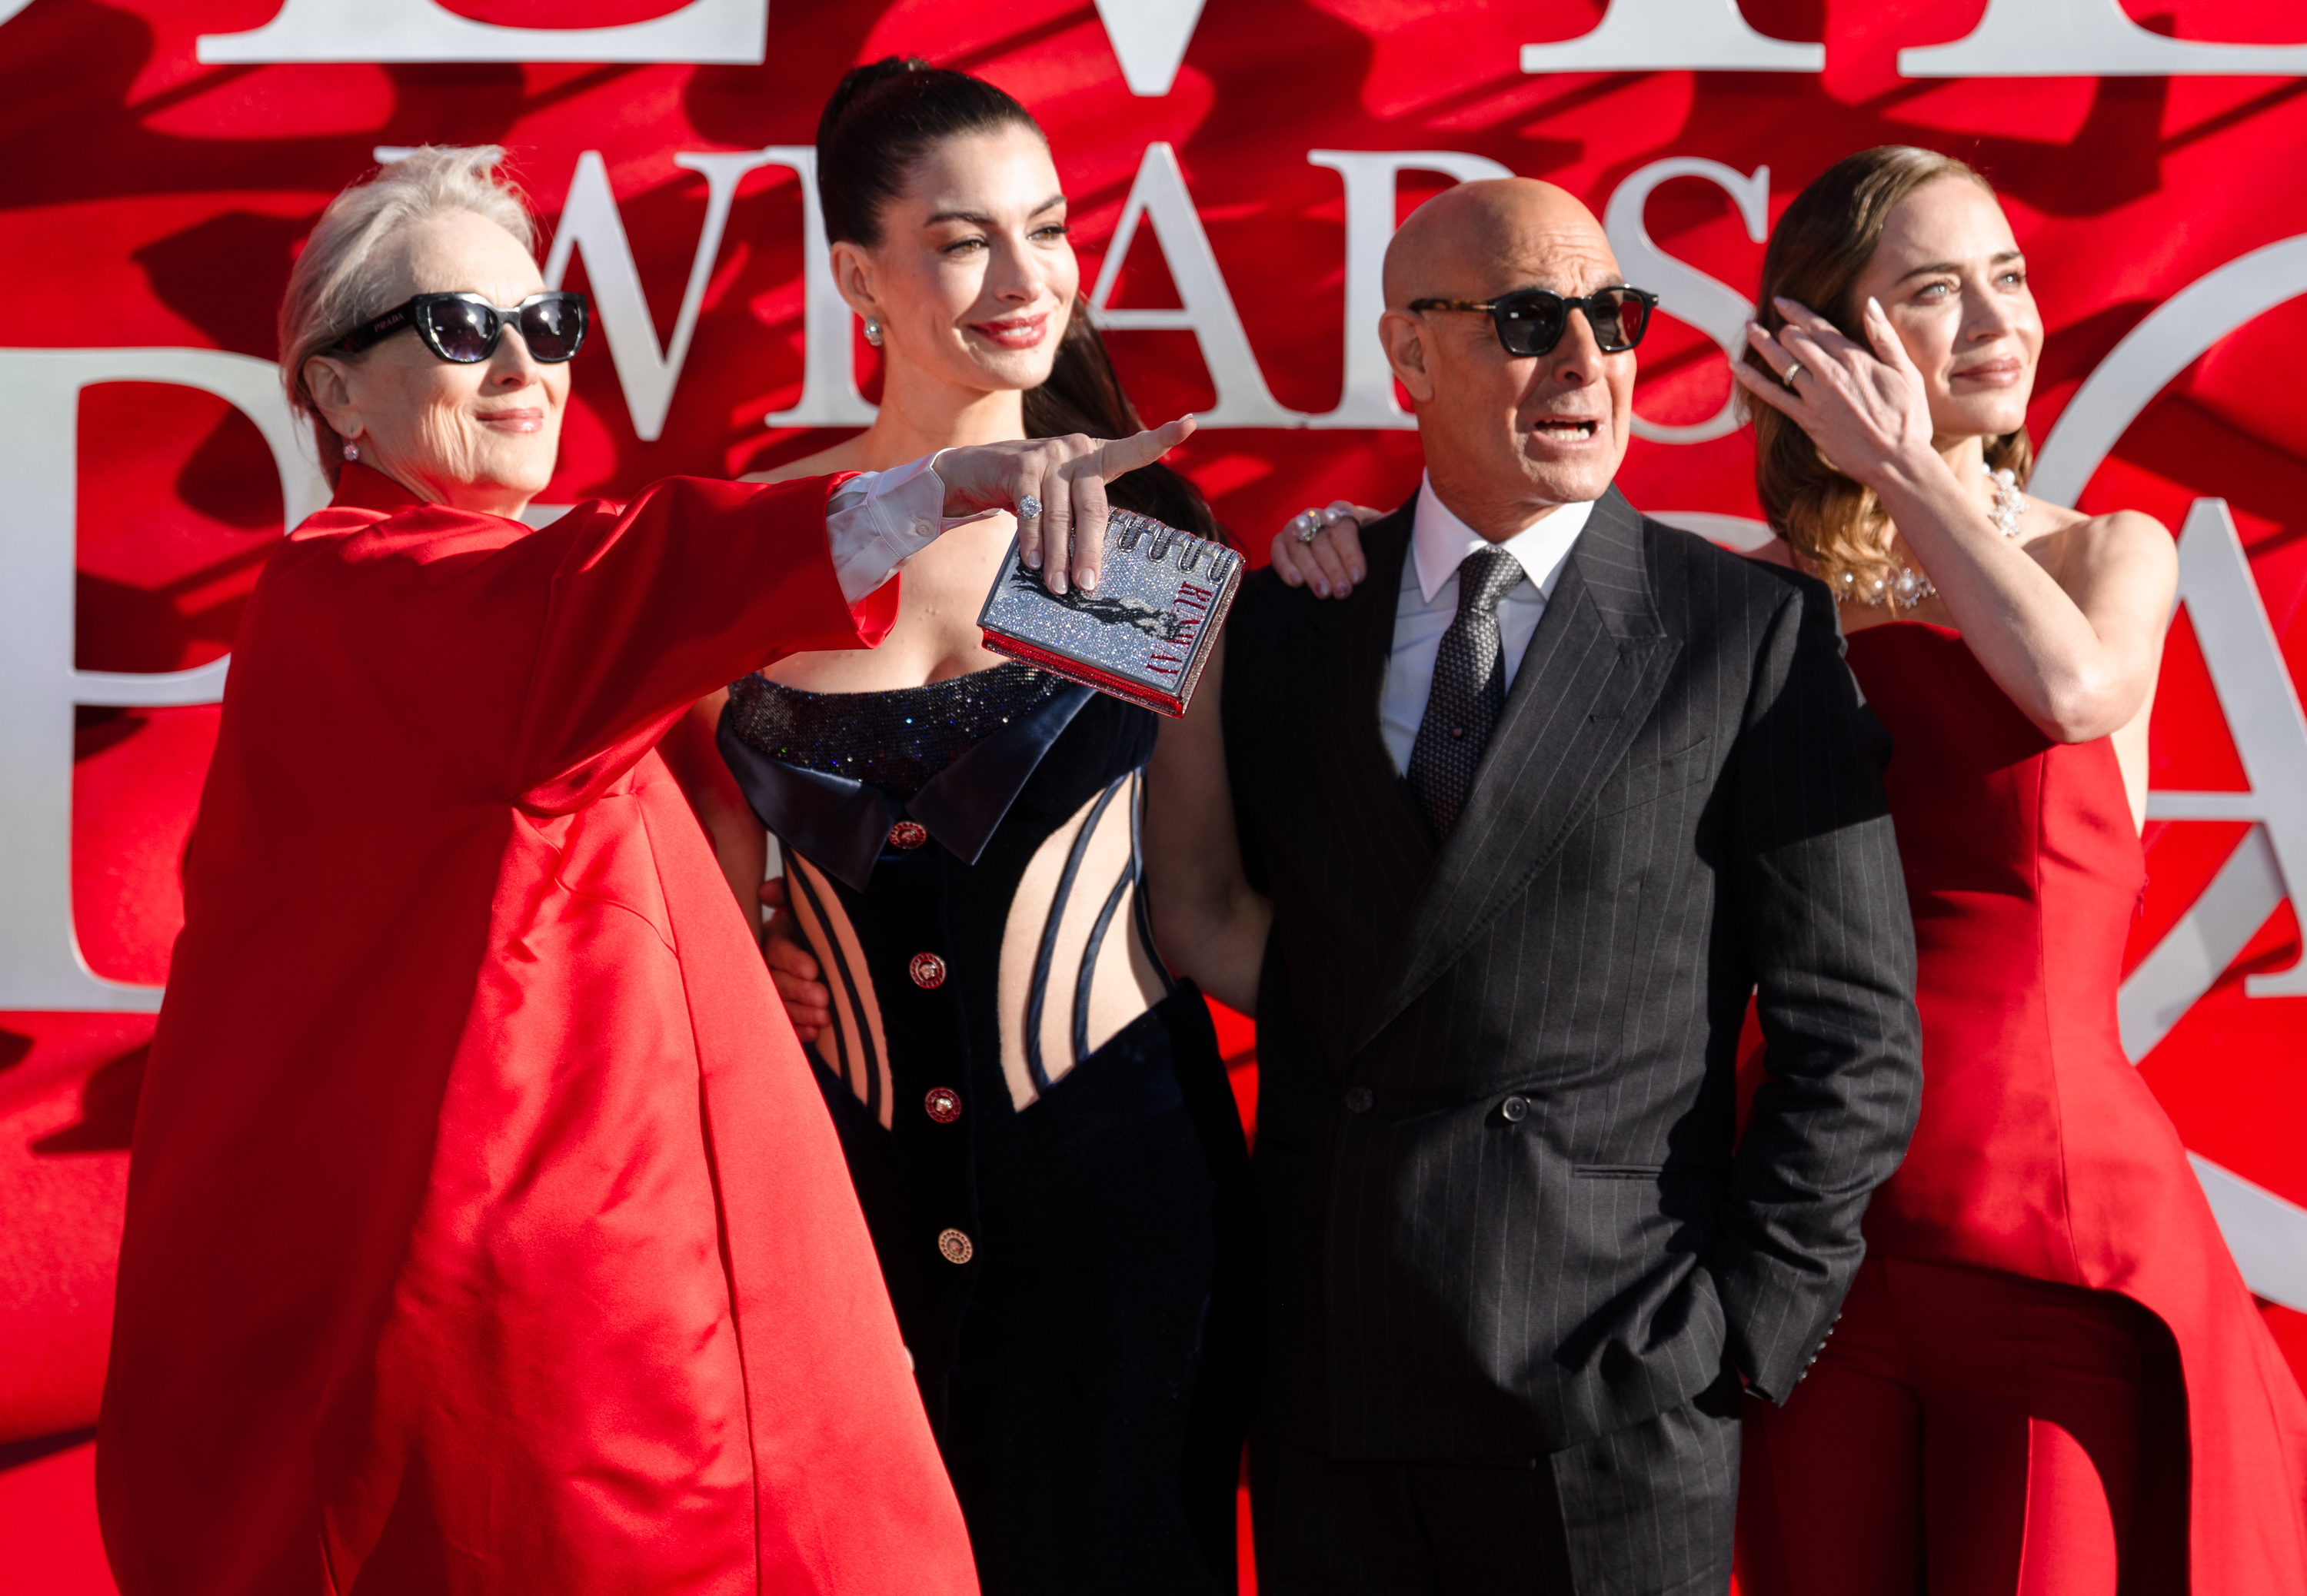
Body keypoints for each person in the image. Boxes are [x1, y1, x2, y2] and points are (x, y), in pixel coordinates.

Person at [93, 143, 1185, 1596]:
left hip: (1070, 1179)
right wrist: (922, 492)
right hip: (661, 1304)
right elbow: (606, 602)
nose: (521, 366)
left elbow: (1208, 874)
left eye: (544, 328)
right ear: (331, 391)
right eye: (459, 330)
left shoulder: (1136, 554)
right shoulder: (462, 594)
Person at [1152, 175, 1925, 1594]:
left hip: (1616, 1393)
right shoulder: (1286, 619)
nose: (1587, 364)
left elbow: (1856, 1037)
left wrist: (1738, 1331)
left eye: (1612, 318)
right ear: (1407, 357)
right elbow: (1202, 906)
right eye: (1526, 321)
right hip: (1337, 1378)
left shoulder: (1749, 632)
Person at [679, 62, 1253, 1596]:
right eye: (963, 240)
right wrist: (765, 961)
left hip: (1131, 1220)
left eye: (1050, 228)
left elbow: (1202, 904)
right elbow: (702, 923)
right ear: (857, 275)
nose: (1027, 278)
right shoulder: (747, 552)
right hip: (839, 1225)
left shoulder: (1148, 544)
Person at [1726, 145, 2307, 1594]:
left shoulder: (2114, 551)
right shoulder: (1747, 599)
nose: (2000, 321)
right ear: (1825, 342)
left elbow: (2070, 689)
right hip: (1808, 1241)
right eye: (1936, 288)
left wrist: (1906, 470)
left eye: (2011, 277)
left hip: (2048, 1241)